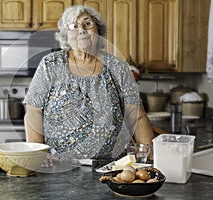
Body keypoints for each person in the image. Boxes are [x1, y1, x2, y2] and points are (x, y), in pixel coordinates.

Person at [23, 5, 154, 163]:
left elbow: (137, 117)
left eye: (87, 24)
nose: (81, 30)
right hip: (59, 165)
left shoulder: (117, 68)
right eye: (74, 26)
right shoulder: (50, 65)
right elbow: (33, 112)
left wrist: (149, 158)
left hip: (111, 165)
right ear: (66, 35)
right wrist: (39, 154)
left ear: (98, 31)